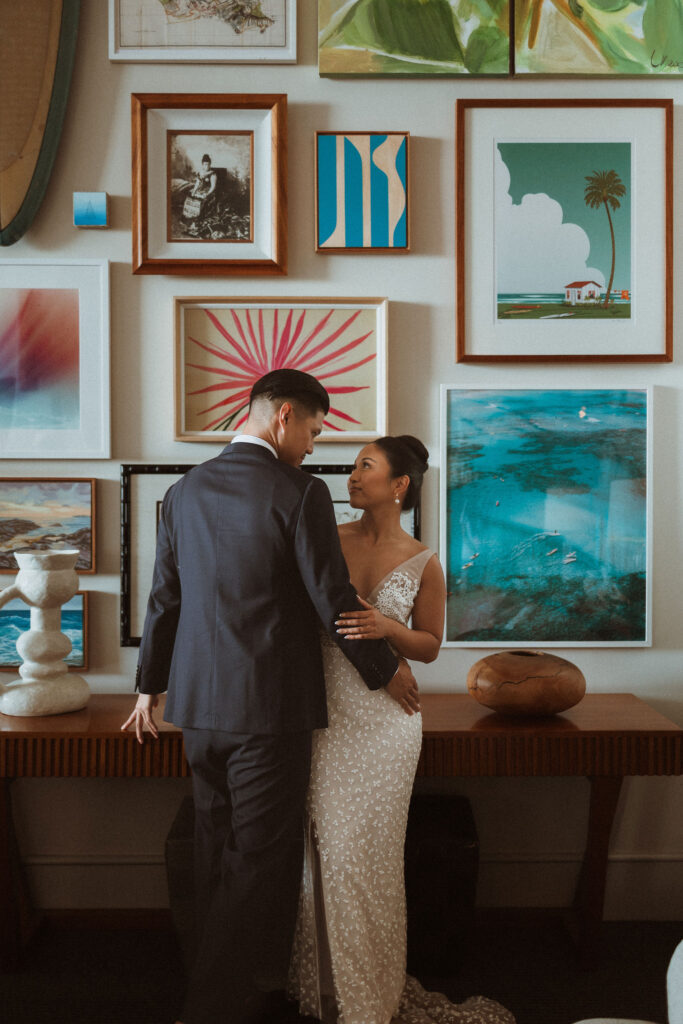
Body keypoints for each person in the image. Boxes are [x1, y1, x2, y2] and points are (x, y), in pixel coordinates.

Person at [121, 369, 420, 1024]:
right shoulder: (299, 492)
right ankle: (211, 1011)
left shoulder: (185, 490)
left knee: (215, 850)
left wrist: (149, 687)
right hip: (268, 709)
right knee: (257, 863)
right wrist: (384, 667)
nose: (313, 447)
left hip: (195, 710)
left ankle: (211, 989)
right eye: (313, 430)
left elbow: (164, 599)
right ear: (283, 415)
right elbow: (331, 599)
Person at [288, 436, 516, 1024]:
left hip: (386, 726)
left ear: (399, 485)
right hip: (321, 716)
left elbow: (432, 647)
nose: (353, 474)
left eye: (366, 465)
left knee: (368, 856)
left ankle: (369, 999)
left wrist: (388, 625)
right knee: (321, 853)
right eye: (355, 465)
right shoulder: (324, 539)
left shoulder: (423, 559)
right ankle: (323, 990)